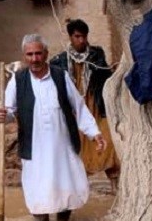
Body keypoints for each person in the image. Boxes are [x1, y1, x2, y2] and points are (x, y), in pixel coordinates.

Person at [0, 34, 106, 221]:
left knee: (65, 186)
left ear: (46, 54)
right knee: (38, 189)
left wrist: (94, 133)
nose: (34, 59)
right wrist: (1, 114)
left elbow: (78, 107)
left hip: (62, 145)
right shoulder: (17, 81)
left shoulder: (60, 76)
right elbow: (8, 111)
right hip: (34, 147)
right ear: (24, 56)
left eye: (38, 53)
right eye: (30, 54)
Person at [49, 19, 121, 193]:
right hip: (74, 112)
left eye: (84, 36)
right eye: (77, 36)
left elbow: (105, 78)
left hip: (96, 107)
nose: (81, 40)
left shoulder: (96, 55)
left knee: (108, 143)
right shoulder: (59, 61)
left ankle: (115, 187)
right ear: (71, 37)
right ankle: (77, 190)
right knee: (76, 149)